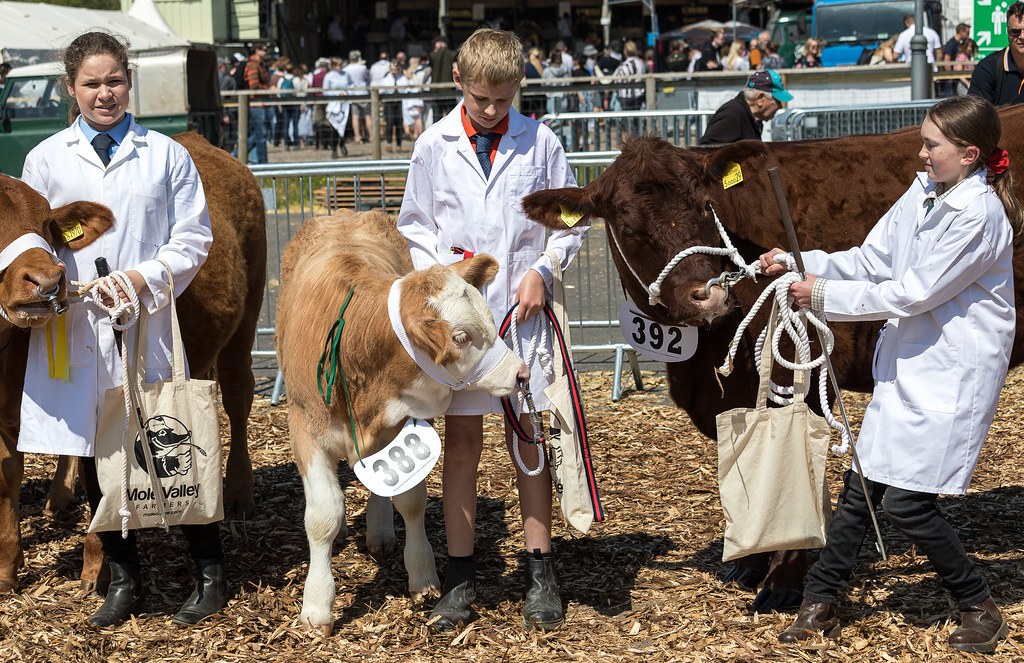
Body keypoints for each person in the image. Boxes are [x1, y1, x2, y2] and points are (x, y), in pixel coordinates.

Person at [761, 94, 1021, 655]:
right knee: (862, 489)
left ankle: (979, 606)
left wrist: (820, 295)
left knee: (907, 504)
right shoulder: (925, 190)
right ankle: (821, 601)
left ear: (969, 155)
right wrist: (800, 263)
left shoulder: (978, 215)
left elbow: (913, 293)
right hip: (908, 364)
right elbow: (872, 260)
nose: (921, 154)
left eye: (932, 145)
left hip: (950, 372)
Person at [20, 31, 224, 628]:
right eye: (91, 83)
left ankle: (209, 572)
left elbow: (193, 237)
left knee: (170, 438)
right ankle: (125, 577)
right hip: (79, 324)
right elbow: (34, 240)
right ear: (71, 88)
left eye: (114, 81)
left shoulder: (165, 155)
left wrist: (143, 278)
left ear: (129, 82)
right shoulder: (46, 159)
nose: (104, 93)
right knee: (96, 450)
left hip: (145, 322)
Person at [396, 27, 586, 633]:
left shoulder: (542, 143)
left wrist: (542, 269)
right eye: (481, 99)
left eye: (504, 100)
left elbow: (571, 222)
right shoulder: (433, 145)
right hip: (464, 327)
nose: (491, 110)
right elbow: (415, 224)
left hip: (523, 319)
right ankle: (460, 577)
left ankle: (540, 571)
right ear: (458, 81)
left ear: (519, 87)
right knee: (462, 443)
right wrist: (442, 277)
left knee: (528, 440)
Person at [698, 69, 791, 145]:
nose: (780, 106)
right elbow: (707, 151)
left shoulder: (753, 118)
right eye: (777, 101)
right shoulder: (732, 114)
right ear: (760, 99)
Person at [968, 1, 1024, 104]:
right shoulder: (987, 68)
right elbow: (977, 113)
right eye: (1016, 31)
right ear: (1007, 31)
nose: (1022, 37)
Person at [243, 41, 270, 163]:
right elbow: (253, 85)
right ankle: (263, 162)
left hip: (259, 103)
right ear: (257, 51)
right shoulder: (253, 65)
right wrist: (268, 89)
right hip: (256, 104)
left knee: (259, 134)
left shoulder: (259, 65)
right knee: (261, 134)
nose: (266, 52)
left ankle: (238, 154)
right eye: (264, 50)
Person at [322, 56, 350, 158]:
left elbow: (351, 85)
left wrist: (347, 92)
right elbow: (325, 91)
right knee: (334, 128)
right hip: (334, 105)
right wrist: (337, 93)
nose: (341, 66)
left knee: (345, 126)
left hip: (345, 104)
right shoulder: (329, 76)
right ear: (333, 66)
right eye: (339, 64)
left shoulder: (346, 74)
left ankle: (342, 144)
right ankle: (334, 149)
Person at [342, 50, 371, 144]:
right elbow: (366, 78)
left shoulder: (346, 69)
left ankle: (357, 136)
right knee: (367, 116)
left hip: (353, 93)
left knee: (355, 117)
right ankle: (371, 136)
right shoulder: (362, 67)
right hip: (363, 92)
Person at [613, 40, 646, 111]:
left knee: (626, 116)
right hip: (639, 95)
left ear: (625, 52)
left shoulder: (624, 65)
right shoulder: (641, 64)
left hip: (625, 96)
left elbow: (617, 81)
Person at [429, 35, 457, 117]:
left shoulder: (433, 55)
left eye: (435, 43)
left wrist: (423, 83)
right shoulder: (452, 54)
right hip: (449, 91)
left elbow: (428, 71)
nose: (435, 45)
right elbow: (456, 68)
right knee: (450, 117)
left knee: (436, 117)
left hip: (436, 91)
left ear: (440, 43)